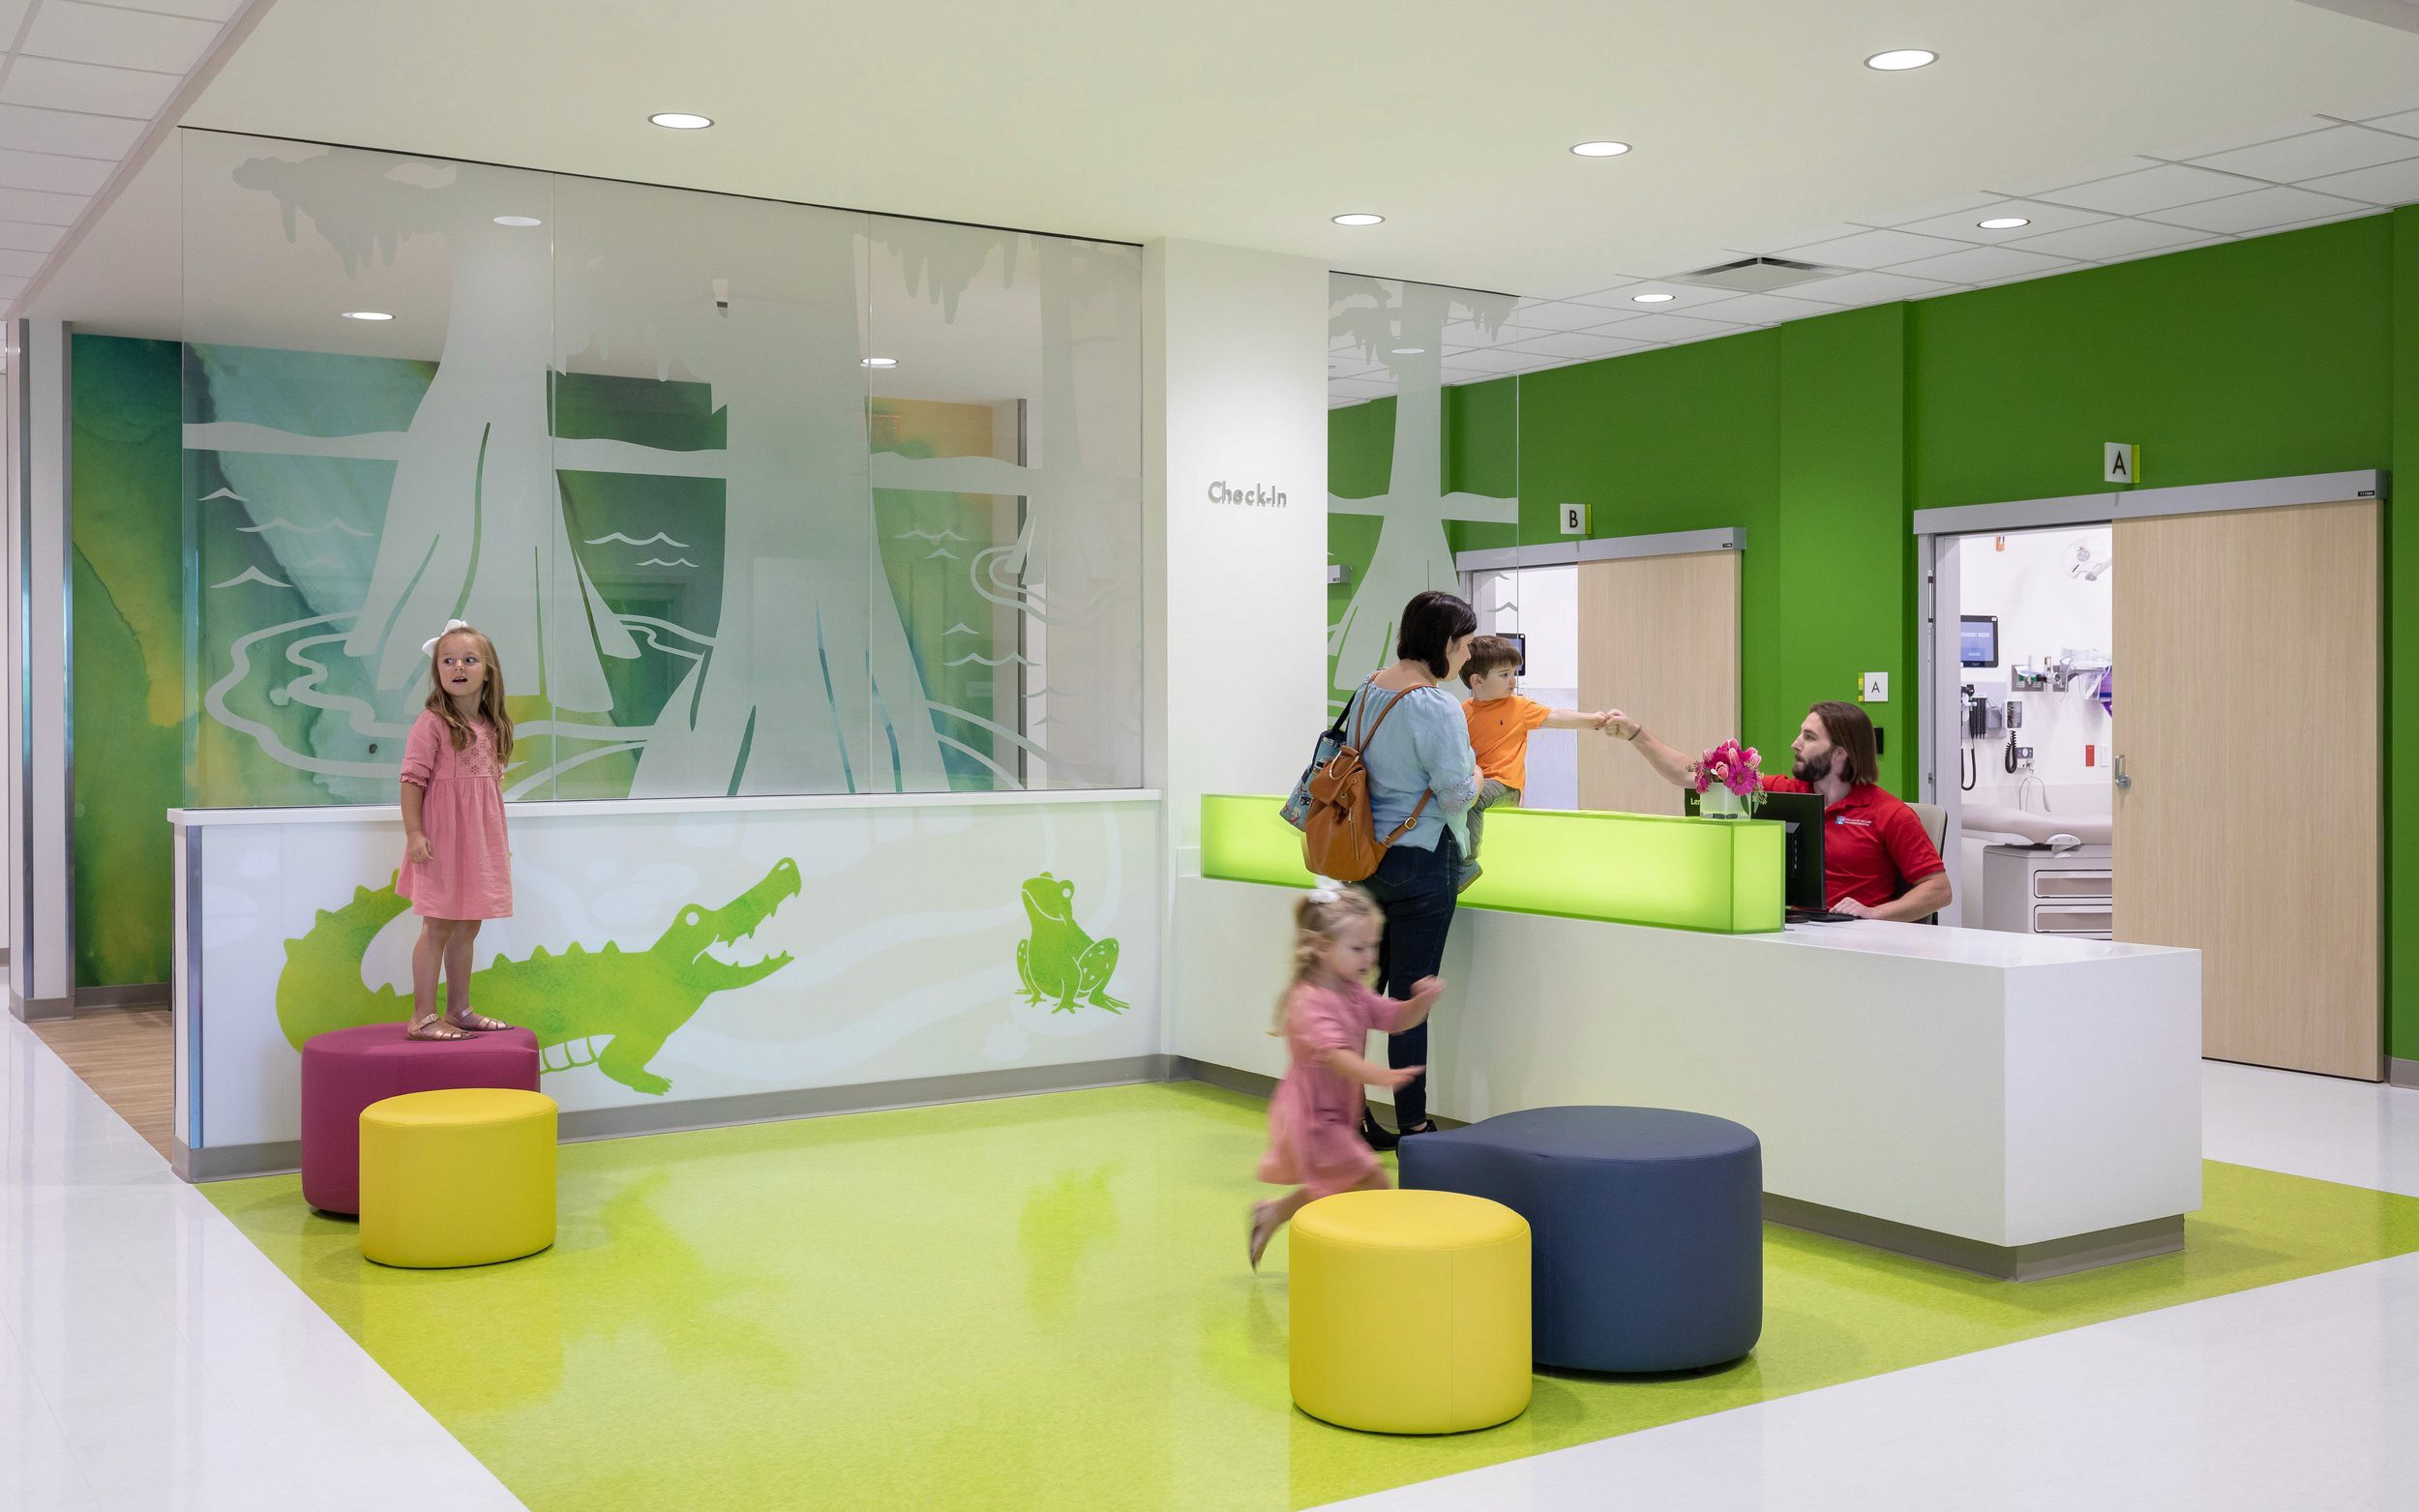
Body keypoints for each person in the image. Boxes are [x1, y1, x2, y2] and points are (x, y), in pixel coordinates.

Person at [1608, 699, 1951, 921]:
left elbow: (1938, 890)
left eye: (1809, 737)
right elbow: (1691, 775)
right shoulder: (1782, 791)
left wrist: (1874, 913)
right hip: (1790, 929)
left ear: (1840, 753)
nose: (1795, 744)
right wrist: (1636, 734)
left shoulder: (1890, 814)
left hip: (1855, 942)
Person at [1344, 589, 1479, 1147]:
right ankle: (1414, 1126)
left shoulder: (1369, 687)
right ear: (1444, 642)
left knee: (1359, 995)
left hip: (1362, 857)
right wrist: (1478, 775)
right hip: (1421, 859)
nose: (1468, 656)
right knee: (1409, 998)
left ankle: (1350, 1117)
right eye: (1465, 644)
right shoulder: (1436, 705)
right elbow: (1455, 795)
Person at [1249, 885, 1443, 1269]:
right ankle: (1374, 1260)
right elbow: (1336, 1057)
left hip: (1336, 1115)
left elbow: (1394, 1017)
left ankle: (1272, 1213)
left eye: (1373, 947)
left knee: (1342, 1183)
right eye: (1358, 948)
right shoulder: (1309, 1001)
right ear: (1322, 947)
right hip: (1313, 1118)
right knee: (1372, 1179)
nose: (1370, 958)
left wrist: (1420, 1004)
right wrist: (1379, 1075)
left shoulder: (1354, 993)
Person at [398, 620, 518, 1040]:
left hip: (479, 842)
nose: (458, 667)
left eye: (469, 659)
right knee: (438, 925)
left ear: (489, 670)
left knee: (469, 925)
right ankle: (423, 1017)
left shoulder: (493, 726)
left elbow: (487, 794)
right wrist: (414, 833)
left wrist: (492, 844)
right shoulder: (432, 723)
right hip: (442, 841)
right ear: (437, 671)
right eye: (447, 661)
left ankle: (460, 1008)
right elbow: (411, 780)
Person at [1455, 634, 1618, 891]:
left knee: (1472, 797)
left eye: (1514, 673)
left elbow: (1557, 717)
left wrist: (1592, 720)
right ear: (1477, 681)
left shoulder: (1518, 707)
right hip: (1477, 781)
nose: (1513, 681)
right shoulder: (1461, 711)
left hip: (1505, 785)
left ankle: (1466, 863)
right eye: (1504, 675)